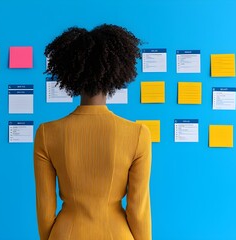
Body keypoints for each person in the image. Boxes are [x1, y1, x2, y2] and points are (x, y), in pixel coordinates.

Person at [34, 24, 152, 240]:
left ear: (69, 72)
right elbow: (138, 210)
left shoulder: (46, 133)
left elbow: (44, 209)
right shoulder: (138, 134)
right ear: (117, 72)